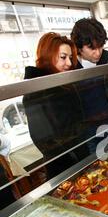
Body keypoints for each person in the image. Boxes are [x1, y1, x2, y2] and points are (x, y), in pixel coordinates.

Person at [23, 32, 88, 179]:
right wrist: (75, 157)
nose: (69, 63)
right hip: (63, 165)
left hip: (82, 154)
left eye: (71, 58)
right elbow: (44, 140)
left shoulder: (63, 81)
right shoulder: (36, 90)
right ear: (47, 57)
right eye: (63, 57)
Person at [71, 18, 108, 152]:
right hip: (87, 132)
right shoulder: (70, 66)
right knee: (96, 170)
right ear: (78, 46)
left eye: (100, 46)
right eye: (91, 48)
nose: (98, 52)